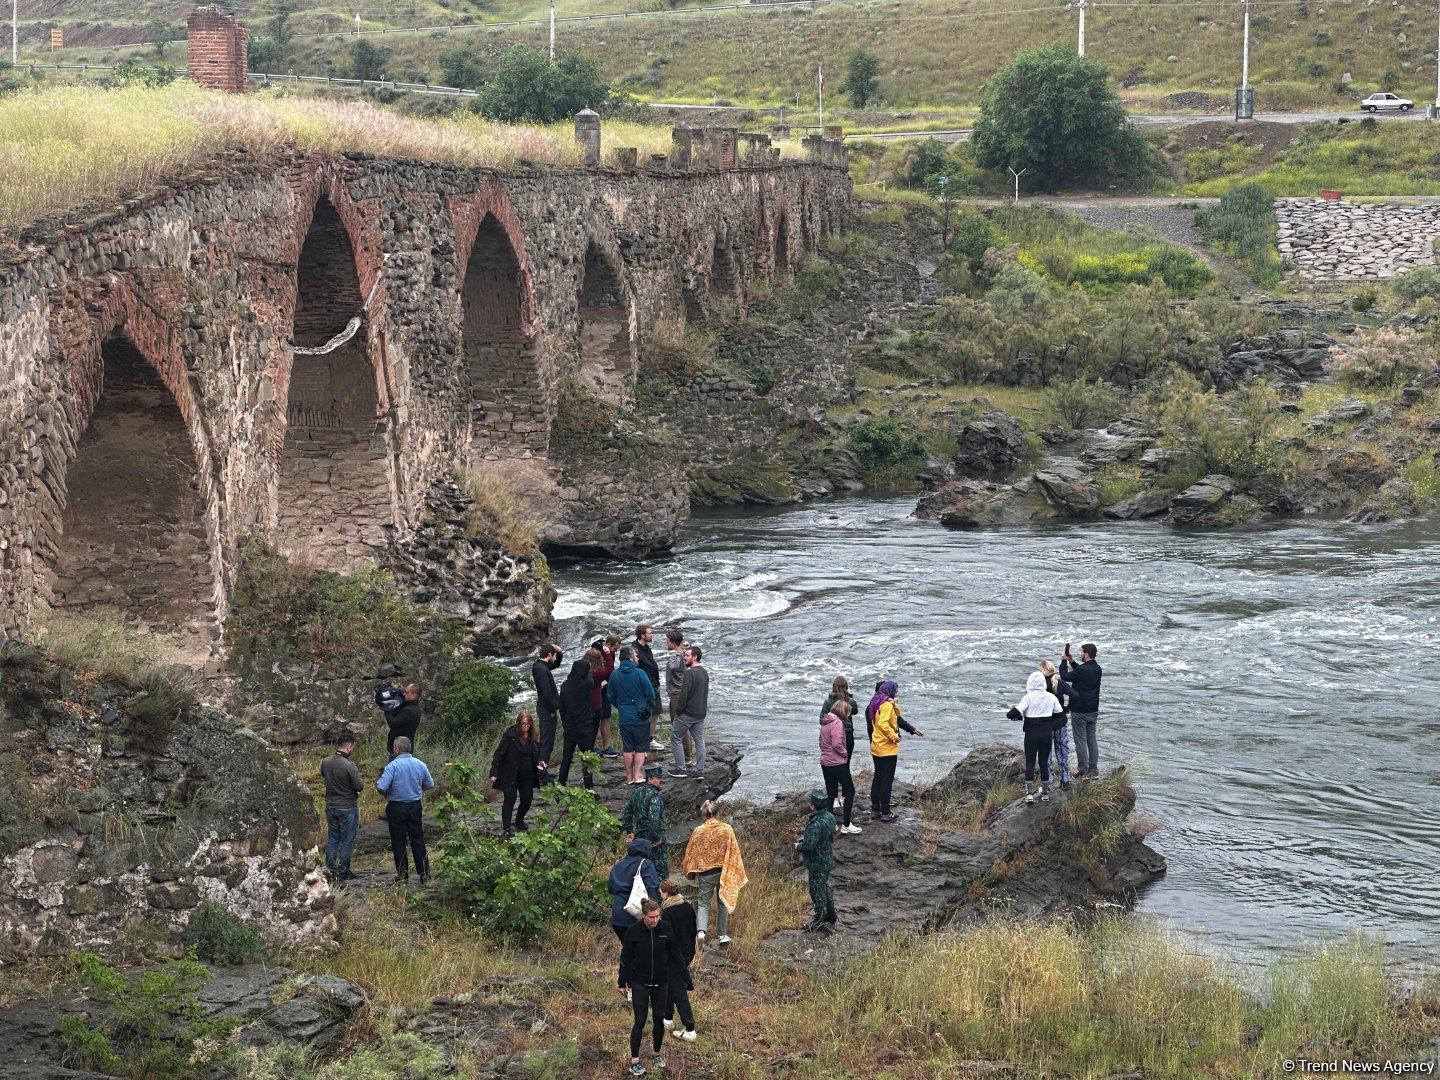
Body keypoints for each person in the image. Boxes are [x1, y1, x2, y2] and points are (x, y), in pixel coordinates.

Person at [618, 898, 676, 1077]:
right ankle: (634, 1060)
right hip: (639, 982)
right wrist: (622, 982)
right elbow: (625, 957)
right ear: (643, 916)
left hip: (661, 981)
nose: (655, 920)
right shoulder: (633, 931)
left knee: (659, 1019)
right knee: (640, 1019)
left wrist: (682, 978)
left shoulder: (665, 928)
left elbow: (674, 953)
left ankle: (657, 1053)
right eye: (651, 917)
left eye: (658, 916)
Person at [680, 800, 748, 945]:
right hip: (723, 871)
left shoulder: (698, 830)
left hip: (705, 874)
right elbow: (734, 851)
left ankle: (701, 932)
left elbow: (691, 852)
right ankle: (722, 935)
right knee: (722, 902)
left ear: (705, 815)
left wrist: (691, 870)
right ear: (717, 813)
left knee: (703, 903)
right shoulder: (726, 828)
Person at [375, 736, 434, 883]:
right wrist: (417, 790)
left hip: (396, 806)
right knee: (418, 839)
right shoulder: (420, 764)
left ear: (396, 748)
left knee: (398, 841)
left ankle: (403, 875)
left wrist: (387, 795)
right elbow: (429, 784)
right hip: (415, 805)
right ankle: (424, 874)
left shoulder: (393, 766)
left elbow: (381, 786)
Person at [867, 680, 923, 823]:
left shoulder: (876, 702)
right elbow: (883, 723)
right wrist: (895, 736)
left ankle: (875, 810)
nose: (897, 692)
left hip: (876, 746)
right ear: (890, 690)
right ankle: (886, 812)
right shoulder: (885, 705)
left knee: (878, 778)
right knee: (886, 780)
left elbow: (896, 716)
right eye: (896, 689)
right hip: (887, 748)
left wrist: (893, 703)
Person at [1011, 671, 1064, 804]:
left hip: (1031, 734)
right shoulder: (1051, 697)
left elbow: (1013, 713)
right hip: (1046, 734)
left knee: (1030, 761)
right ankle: (1045, 792)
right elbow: (1062, 717)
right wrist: (1051, 726)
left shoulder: (1028, 698)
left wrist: (1017, 716)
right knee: (1043, 761)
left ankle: (1029, 794)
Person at [608, 646, 658, 785]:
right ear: (630, 658)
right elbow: (650, 694)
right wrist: (648, 708)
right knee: (641, 747)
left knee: (627, 747)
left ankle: (629, 777)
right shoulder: (640, 673)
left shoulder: (614, 675)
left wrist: (621, 706)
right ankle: (637, 774)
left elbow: (610, 696)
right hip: (640, 717)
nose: (637, 658)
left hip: (624, 717)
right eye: (636, 655)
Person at [489, 711, 543, 835]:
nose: (525, 726)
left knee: (527, 799)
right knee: (510, 799)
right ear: (519, 723)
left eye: (528, 724)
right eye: (523, 724)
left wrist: (541, 764)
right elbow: (498, 754)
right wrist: (494, 772)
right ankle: (506, 828)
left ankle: (519, 820)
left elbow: (537, 753)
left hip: (527, 775)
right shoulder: (510, 736)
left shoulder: (533, 736)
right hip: (510, 774)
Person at [320, 730, 363, 881]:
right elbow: (359, 786)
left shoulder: (325, 762)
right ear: (349, 747)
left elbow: (324, 775)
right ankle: (344, 870)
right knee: (347, 840)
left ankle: (330, 869)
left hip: (331, 805)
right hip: (347, 806)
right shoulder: (349, 765)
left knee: (333, 838)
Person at [659, 880, 698, 1040]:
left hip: (675, 955)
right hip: (688, 951)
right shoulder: (687, 906)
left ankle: (690, 1028)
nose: (660, 895)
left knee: (678, 989)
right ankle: (667, 1018)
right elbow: (693, 930)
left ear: (666, 893)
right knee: (670, 983)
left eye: (661, 892)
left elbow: (666, 938)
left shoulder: (667, 912)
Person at [796, 789, 836, 933]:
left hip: (816, 862)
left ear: (813, 806)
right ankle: (831, 915)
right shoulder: (830, 817)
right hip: (826, 857)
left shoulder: (815, 823)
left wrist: (798, 846)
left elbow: (809, 846)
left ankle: (819, 920)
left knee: (816, 890)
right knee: (824, 887)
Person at [1061, 643, 1103, 779]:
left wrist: (1063, 660)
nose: (1080, 654)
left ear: (1086, 654)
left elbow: (1065, 676)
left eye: (1081, 652)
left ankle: (1083, 769)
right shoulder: (1097, 669)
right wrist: (1071, 661)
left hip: (1079, 710)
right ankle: (1094, 769)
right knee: (1092, 739)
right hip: (1093, 709)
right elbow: (1080, 672)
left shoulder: (1083, 670)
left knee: (1080, 740)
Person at [668, 644, 708, 779]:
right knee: (699, 741)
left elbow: (683, 695)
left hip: (688, 713)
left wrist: (678, 711)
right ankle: (700, 770)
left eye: (687, 655)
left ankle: (681, 769)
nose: (684, 658)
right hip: (700, 713)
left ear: (694, 657)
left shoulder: (689, 673)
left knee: (676, 738)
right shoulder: (704, 672)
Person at [820, 702, 861, 835]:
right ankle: (846, 824)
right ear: (842, 711)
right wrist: (844, 753)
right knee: (850, 791)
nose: (848, 716)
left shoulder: (825, 722)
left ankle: (829, 824)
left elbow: (821, 742)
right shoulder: (837, 723)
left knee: (831, 794)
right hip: (837, 763)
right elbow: (837, 743)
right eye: (848, 713)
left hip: (825, 763)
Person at [558, 657, 598, 789]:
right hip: (585, 727)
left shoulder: (565, 685)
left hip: (569, 727)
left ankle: (561, 786)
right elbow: (592, 678)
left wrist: (565, 722)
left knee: (566, 759)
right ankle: (589, 788)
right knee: (587, 759)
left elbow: (562, 707)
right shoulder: (587, 684)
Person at [623, 764, 668, 878]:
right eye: (658, 778)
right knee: (659, 873)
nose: (660, 780)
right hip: (653, 840)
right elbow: (653, 819)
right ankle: (657, 895)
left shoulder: (637, 792)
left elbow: (627, 813)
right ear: (650, 778)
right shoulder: (654, 797)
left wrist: (630, 831)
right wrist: (657, 837)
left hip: (638, 838)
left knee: (640, 870)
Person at [1039, 659, 1077, 790]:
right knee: (1062, 750)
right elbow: (1075, 695)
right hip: (1060, 722)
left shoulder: (1041, 686)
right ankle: (1065, 779)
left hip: (1045, 724)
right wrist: (1067, 708)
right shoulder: (1060, 683)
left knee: (1046, 751)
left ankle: (1048, 780)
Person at [531, 644, 563, 782]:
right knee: (546, 743)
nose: (555, 657)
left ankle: (541, 771)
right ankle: (541, 774)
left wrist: (560, 652)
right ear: (549, 655)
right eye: (554, 655)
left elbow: (556, 664)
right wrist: (552, 710)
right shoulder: (542, 670)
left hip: (544, 708)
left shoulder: (539, 666)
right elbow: (545, 693)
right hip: (546, 710)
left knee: (545, 742)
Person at [633, 625, 665, 753]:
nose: (651, 635)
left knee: (656, 712)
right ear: (642, 635)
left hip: (654, 684)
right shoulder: (635, 650)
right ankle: (641, 743)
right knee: (644, 714)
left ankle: (650, 740)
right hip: (645, 687)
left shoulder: (646, 648)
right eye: (649, 633)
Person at [588, 641, 618, 759]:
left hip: (604, 692)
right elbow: (608, 672)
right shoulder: (592, 663)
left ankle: (606, 747)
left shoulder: (610, 655)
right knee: (593, 722)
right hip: (594, 695)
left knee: (606, 718)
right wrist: (607, 655)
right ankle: (594, 747)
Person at [821, 675, 861, 763]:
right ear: (846, 687)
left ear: (833, 687)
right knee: (847, 761)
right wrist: (850, 695)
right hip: (848, 733)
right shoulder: (850, 701)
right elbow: (855, 711)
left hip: (832, 734)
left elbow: (822, 720)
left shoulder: (828, 702)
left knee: (836, 761)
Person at [387, 682, 422, 756]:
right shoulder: (410, 706)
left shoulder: (409, 711)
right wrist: (393, 689)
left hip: (400, 751)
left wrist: (387, 709)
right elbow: (400, 695)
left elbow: (393, 723)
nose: (404, 694)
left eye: (406, 692)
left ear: (413, 695)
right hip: (401, 749)